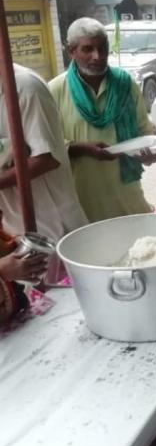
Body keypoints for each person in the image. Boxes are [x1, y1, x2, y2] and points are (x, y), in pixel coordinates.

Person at [48, 17, 156, 222]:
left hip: (126, 193)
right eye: (88, 49)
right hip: (81, 198)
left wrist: (151, 150)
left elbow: (143, 130)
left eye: (102, 48)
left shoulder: (125, 83)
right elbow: (49, 147)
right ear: (71, 51)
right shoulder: (55, 90)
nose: (98, 56)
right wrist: (82, 148)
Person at [0, 63, 88, 283]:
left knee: (67, 303)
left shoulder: (26, 88)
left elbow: (46, 159)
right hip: (14, 227)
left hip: (50, 225)